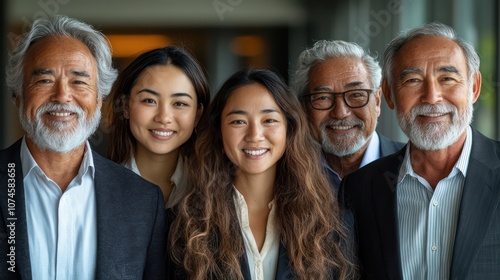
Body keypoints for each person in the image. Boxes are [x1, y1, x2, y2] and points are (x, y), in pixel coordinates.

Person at [0, 15, 166, 279]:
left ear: (100, 98)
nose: (62, 96)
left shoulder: (142, 202)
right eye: (44, 80)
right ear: (17, 95)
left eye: (79, 81)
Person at [340, 22, 500, 279]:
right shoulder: (360, 189)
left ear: (474, 87)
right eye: (413, 80)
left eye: (447, 78)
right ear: (390, 95)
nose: (432, 96)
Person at [167, 69, 356, 279]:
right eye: (238, 121)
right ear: (219, 131)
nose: (255, 135)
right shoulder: (186, 223)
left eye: (269, 120)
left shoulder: (329, 221)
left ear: (289, 128)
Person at [103, 46, 210, 208]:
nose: (164, 117)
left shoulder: (214, 193)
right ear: (125, 106)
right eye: (149, 100)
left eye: (179, 103)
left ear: (198, 115)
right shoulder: (97, 187)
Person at [293, 40, 404, 192]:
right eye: (323, 97)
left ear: (377, 102)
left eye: (356, 94)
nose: (340, 113)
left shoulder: (413, 166)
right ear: (303, 108)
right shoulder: (287, 173)